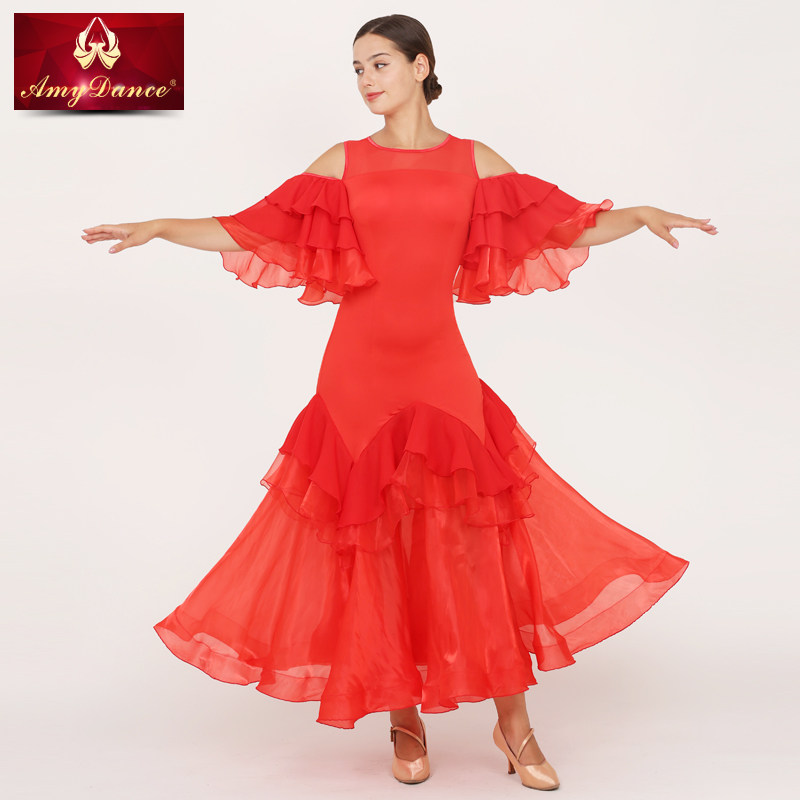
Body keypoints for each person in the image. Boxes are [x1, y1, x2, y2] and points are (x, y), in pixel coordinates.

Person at [81, 13, 715, 791]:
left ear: (421, 66)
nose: (366, 80)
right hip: (357, 375)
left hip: (439, 367)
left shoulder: (474, 161)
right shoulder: (342, 162)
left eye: (379, 63)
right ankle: (404, 719)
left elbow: (558, 226)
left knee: (475, 549)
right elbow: (252, 229)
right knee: (372, 547)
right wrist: (161, 228)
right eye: (357, 69)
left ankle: (515, 726)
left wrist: (637, 216)